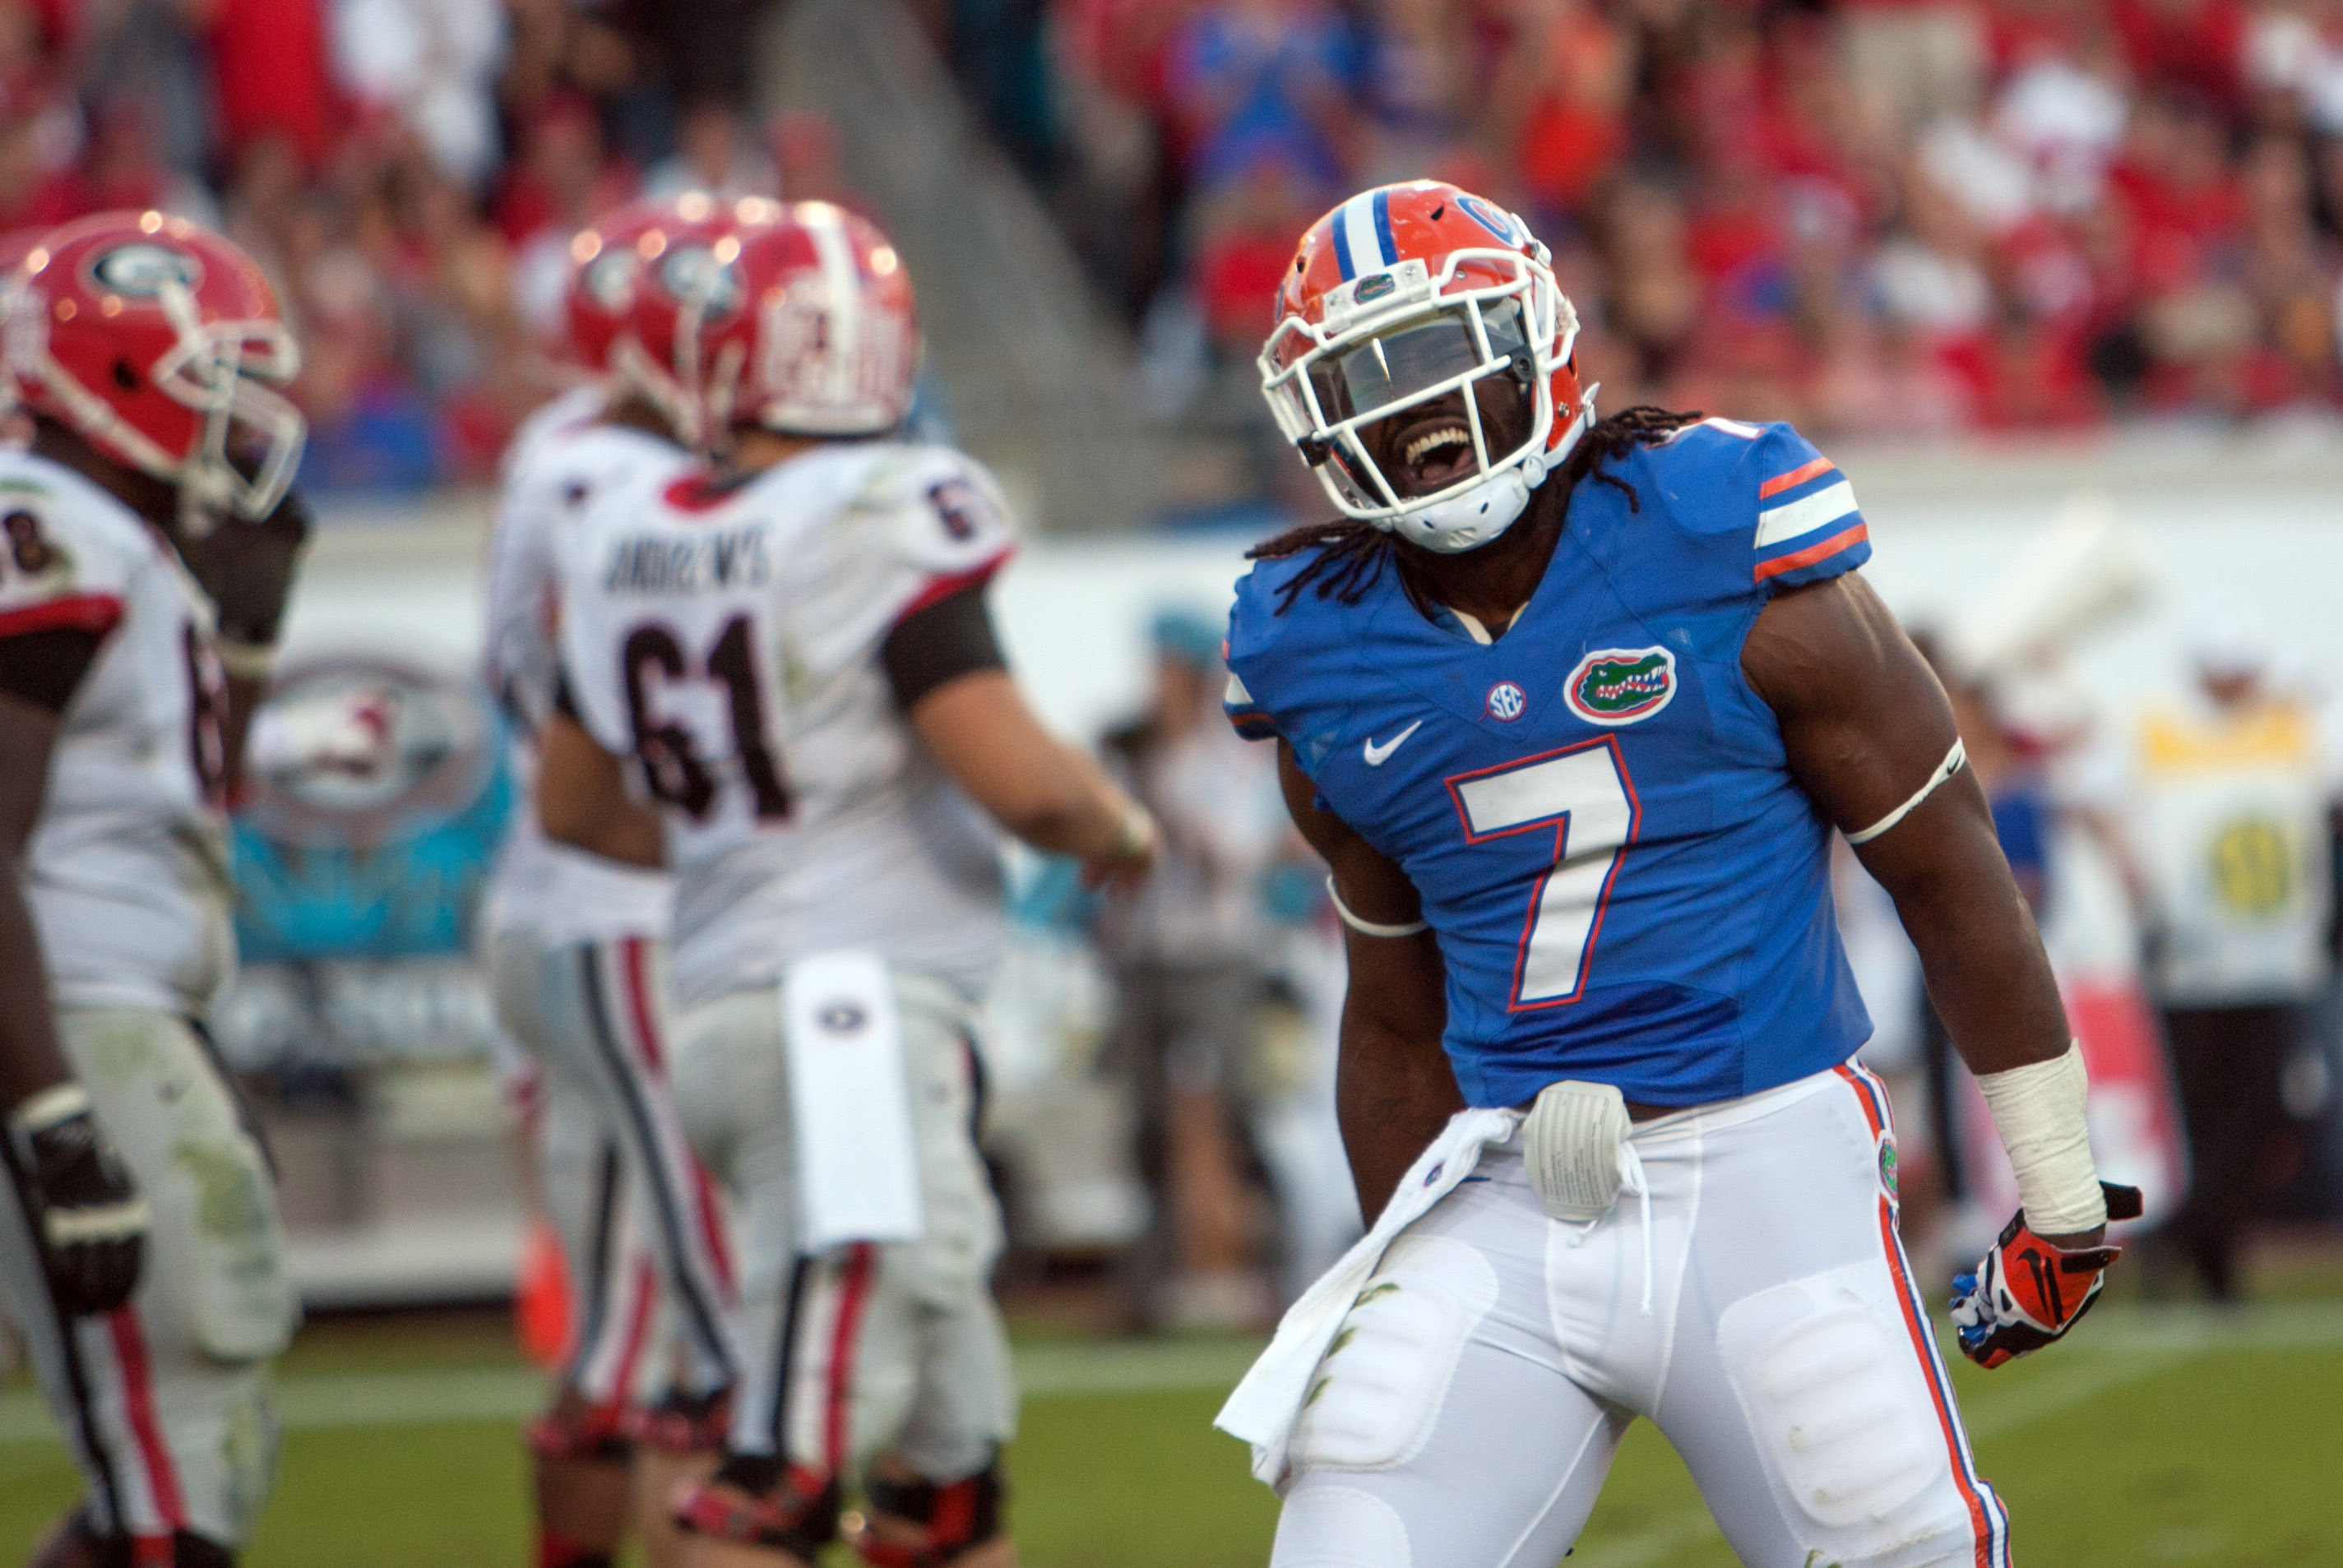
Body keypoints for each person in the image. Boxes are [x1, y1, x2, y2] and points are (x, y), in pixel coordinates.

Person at [1211, 180, 2137, 1567]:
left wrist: (2059, 1193)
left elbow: (1948, 876)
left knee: (1899, 1547)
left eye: (1441, 351)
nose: (1415, 410)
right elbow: (1392, 1012)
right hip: (1504, 1189)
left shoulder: (1716, 529)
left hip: (1757, 1161)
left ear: (1538, 337)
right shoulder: (1314, 651)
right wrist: (1392, 1256)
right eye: (1366, 378)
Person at [538, 201, 1157, 1568]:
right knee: (784, 1468)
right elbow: (1017, 775)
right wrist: (1117, 827)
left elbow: (575, 805)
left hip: (724, 1005)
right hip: (845, 1029)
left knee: (945, 1472)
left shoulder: (621, 520)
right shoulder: (890, 504)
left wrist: (741, 849)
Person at [0, 210, 311, 1568]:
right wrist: (58, 1109)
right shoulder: (48, 526)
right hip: (70, 1016)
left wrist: (243, 630)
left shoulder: (111, 540)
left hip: (113, 1008)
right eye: (212, 381)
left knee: (185, 1474)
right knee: (173, 1478)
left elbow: (179, 800)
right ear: (114, 377)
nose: (238, 422)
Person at [484, 194, 765, 1568]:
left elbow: (518, 675)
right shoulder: (632, 474)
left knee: (613, 1322)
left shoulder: (553, 457)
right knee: (725, 1328)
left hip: (553, 903)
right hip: (638, 907)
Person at [2131, 622, 2339, 1300]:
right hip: (2192, 965)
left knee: (2253, 1114)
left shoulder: (2293, 731)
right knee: (2202, 1114)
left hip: (2272, 962)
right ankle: (2211, 1256)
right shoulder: (2157, 731)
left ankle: (2188, 1235)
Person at [1099, 607, 1290, 1330]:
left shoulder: (1223, 757)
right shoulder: (1129, 751)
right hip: (1144, 955)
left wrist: (1162, 790)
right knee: (1145, 1120)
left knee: (1237, 1114)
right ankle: (1147, 1284)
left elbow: (1233, 858)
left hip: (1220, 955)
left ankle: (1266, 1270)